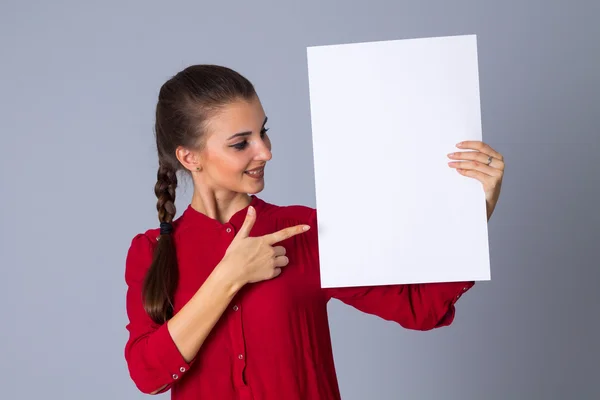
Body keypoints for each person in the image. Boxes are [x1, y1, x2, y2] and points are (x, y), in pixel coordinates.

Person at [123, 64, 505, 399]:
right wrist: (229, 276)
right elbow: (147, 375)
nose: (265, 151)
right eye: (241, 143)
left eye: (263, 133)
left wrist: (473, 208)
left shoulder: (302, 230)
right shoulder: (151, 251)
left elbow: (419, 306)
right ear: (189, 157)